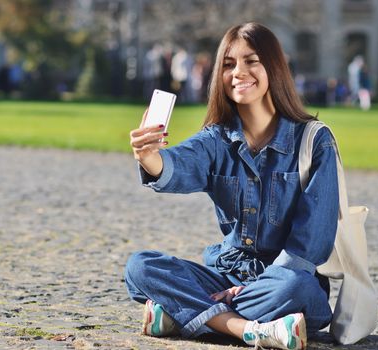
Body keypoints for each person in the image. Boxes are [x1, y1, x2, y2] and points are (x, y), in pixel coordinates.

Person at [125, 22, 340, 350]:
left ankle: (183, 315)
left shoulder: (314, 140)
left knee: (298, 290)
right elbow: (177, 165)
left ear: (273, 67)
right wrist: (148, 155)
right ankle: (249, 330)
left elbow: (311, 243)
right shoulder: (217, 139)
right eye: (228, 64)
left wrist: (258, 285)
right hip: (226, 276)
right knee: (139, 267)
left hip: (284, 280)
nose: (239, 72)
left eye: (251, 61)